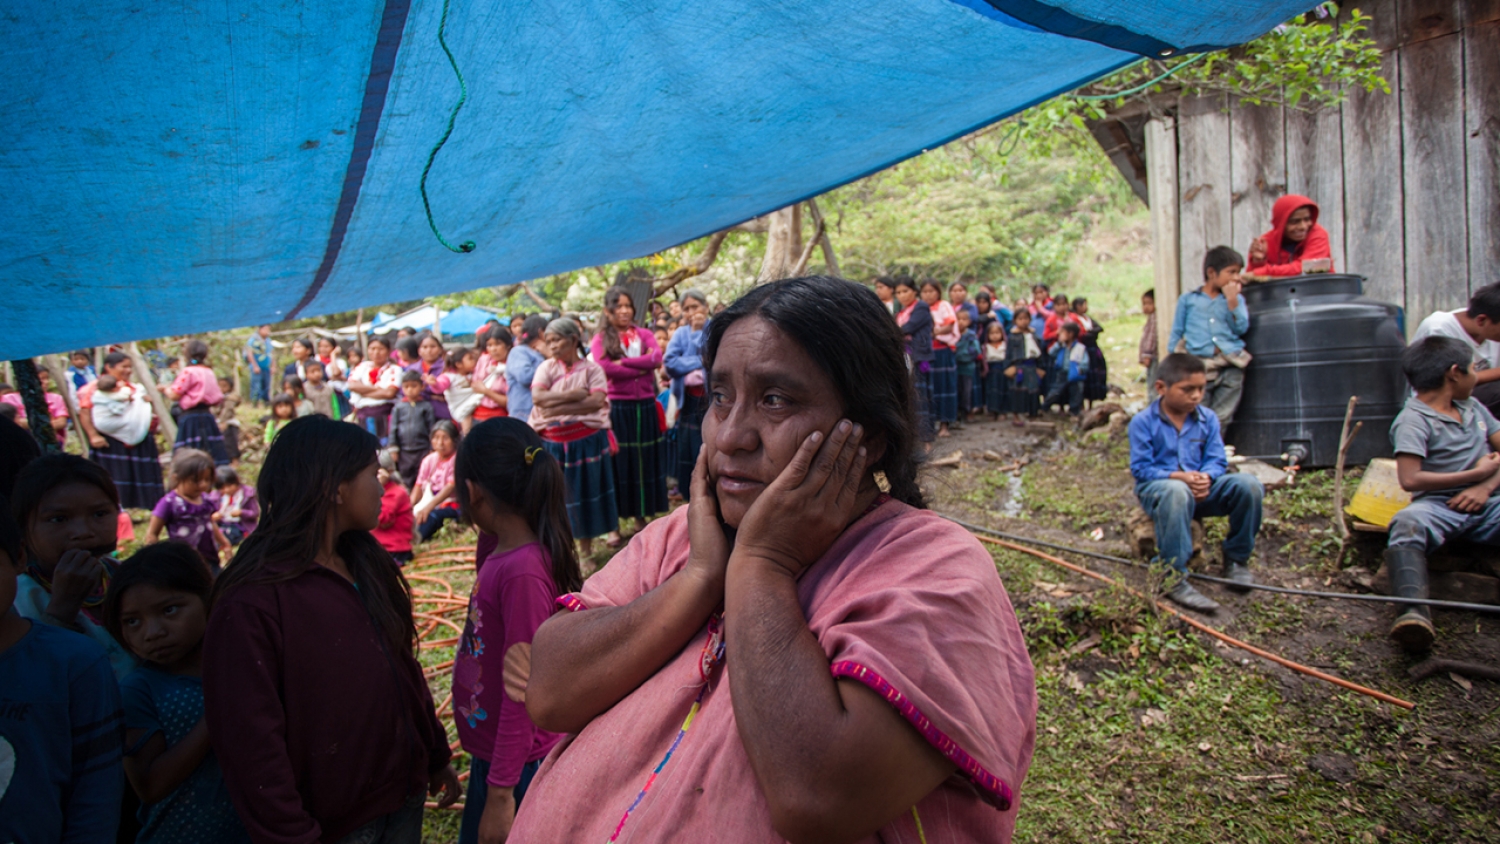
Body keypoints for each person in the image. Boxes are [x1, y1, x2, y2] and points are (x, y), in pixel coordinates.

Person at [511, 276, 1036, 843]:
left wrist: (761, 566)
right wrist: (701, 578)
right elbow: (550, 691)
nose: (731, 436)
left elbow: (817, 795)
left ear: (871, 439)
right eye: (719, 397)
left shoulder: (934, 569)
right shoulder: (684, 538)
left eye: (775, 399)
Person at [204, 416, 460, 843]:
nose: (382, 486)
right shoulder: (254, 601)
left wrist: (433, 753)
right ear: (333, 487)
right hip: (330, 824)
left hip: (401, 796)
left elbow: (402, 665)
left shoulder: (364, 563)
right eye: (371, 473)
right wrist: (290, 832)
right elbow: (250, 739)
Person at [450, 418, 579, 844]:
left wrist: (501, 795)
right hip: (503, 757)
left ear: (472, 492)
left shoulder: (522, 573)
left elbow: (521, 692)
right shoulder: (508, 549)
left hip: (515, 765)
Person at [103, 542, 252, 844]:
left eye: (169, 610)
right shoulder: (137, 690)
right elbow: (149, 785)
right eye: (133, 621)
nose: (152, 632)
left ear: (209, 599)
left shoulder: (242, 667)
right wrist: (216, 715)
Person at [0, 490, 124, 843]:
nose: (82, 531)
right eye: (59, 518)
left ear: (18, 556)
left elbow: (94, 801)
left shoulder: (77, 664)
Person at [1383, 336, 1500, 652]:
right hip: (1438, 505)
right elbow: (1410, 479)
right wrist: (1474, 474)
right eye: (1474, 368)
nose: (1477, 375)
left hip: (1490, 502)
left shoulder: (1474, 408)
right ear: (1454, 373)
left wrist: (1484, 486)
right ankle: (1412, 614)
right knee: (1407, 523)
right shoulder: (1412, 421)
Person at [1129, 353, 1264, 613]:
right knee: (1177, 491)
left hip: (1200, 492)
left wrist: (1207, 478)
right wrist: (1180, 477)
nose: (1196, 396)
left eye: (1201, 389)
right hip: (1161, 492)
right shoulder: (1143, 422)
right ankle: (1172, 576)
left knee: (1249, 485)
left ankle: (1237, 559)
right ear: (1161, 388)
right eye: (1187, 389)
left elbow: (1216, 460)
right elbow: (1142, 469)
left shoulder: (1207, 419)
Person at [10, 454, 138, 678]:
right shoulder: (17, 598)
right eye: (59, 519)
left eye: (100, 514)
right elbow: (28, 675)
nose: (83, 532)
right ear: (24, 529)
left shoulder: (131, 576)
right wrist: (62, 607)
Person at [530, 317, 618, 556]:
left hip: (585, 442)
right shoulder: (546, 368)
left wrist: (556, 407)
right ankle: (561, 550)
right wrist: (575, 396)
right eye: (548, 341)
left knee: (585, 493)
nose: (552, 346)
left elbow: (596, 401)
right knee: (555, 497)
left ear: (573, 339)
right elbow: (538, 398)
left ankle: (586, 550)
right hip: (553, 445)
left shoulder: (592, 369)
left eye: (557, 340)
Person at [591, 286, 669, 545]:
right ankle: (614, 524)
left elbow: (657, 358)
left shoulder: (645, 333)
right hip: (619, 408)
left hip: (645, 405)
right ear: (608, 310)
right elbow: (603, 366)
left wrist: (624, 364)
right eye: (619, 306)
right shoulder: (601, 338)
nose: (624, 311)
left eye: (628, 306)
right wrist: (639, 366)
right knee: (618, 464)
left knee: (643, 461)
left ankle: (640, 517)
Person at [1167, 246, 1251, 428]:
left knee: (1223, 415)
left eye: (1239, 272)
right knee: (1197, 413)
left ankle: (1213, 453)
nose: (1237, 277)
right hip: (1200, 365)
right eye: (1232, 272)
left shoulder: (1236, 299)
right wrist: (1172, 362)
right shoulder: (1188, 300)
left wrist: (1232, 302)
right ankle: (1196, 453)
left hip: (1230, 362)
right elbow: (1177, 331)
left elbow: (1241, 328)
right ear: (1212, 273)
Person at [78, 356, 165, 510]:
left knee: (143, 475)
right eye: (123, 366)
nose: (128, 370)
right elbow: (85, 411)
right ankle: (114, 510)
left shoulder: (133, 388)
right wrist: (93, 435)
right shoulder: (96, 388)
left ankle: (148, 508)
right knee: (115, 478)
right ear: (109, 367)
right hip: (110, 441)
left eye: (129, 367)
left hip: (139, 438)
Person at [1410, 281, 1500, 417]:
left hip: (1480, 397)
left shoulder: (1490, 327)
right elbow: (1449, 384)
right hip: (1442, 404)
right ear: (1482, 321)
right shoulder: (1439, 328)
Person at [148, 449, 230, 571]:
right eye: (196, 480)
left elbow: (209, 523)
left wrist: (224, 543)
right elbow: (152, 533)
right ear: (177, 478)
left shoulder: (206, 500)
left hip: (209, 559)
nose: (202, 485)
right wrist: (154, 559)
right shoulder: (169, 503)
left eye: (207, 480)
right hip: (182, 563)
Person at [664, 290, 711, 497]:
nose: (691, 312)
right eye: (686, 309)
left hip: (711, 402)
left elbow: (715, 359)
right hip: (688, 402)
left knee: (708, 445)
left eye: (695, 307)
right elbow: (670, 363)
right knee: (688, 450)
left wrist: (699, 334)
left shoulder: (716, 329)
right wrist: (700, 364)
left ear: (706, 307)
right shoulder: (680, 333)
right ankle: (690, 495)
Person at [163, 340, 229, 465]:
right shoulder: (209, 372)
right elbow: (217, 398)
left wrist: (165, 389)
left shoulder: (188, 371)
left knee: (189, 454)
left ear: (187, 354)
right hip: (207, 416)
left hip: (190, 418)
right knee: (212, 452)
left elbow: (174, 394)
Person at [1244, 194, 1333, 279]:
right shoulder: (1264, 243)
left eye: (1307, 219)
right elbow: (1251, 280)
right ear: (1281, 223)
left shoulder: (1317, 234)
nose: (1303, 226)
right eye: (1295, 222)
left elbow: (1306, 268)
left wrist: (1263, 272)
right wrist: (1258, 262)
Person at [893, 277, 935, 443]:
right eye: (898, 293)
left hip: (919, 356)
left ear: (914, 291)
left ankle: (926, 438)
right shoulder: (902, 312)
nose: (902, 295)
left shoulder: (921, 307)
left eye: (905, 291)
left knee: (921, 396)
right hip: (906, 356)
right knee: (912, 396)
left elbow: (908, 328)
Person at [921, 280, 960, 438]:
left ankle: (945, 425)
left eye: (931, 291)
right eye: (924, 291)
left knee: (945, 387)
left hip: (942, 351)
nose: (928, 294)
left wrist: (932, 334)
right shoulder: (920, 308)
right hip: (926, 353)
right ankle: (930, 424)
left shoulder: (943, 305)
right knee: (930, 389)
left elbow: (950, 325)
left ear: (938, 292)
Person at [414, 420, 461, 542]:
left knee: (432, 517)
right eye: (436, 438)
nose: (440, 443)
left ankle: (416, 540)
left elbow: (450, 487)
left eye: (445, 438)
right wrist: (406, 508)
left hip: (453, 505)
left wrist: (428, 508)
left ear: (454, 440)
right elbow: (418, 487)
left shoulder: (458, 460)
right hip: (430, 502)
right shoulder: (429, 460)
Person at [348, 335, 402, 442]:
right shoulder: (362, 367)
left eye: (381, 349)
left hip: (384, 414)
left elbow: (389, 393)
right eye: (372, 349)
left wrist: (362, 392)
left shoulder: (394, 369)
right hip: (363, 414)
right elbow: (352, 385)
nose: (376, 353)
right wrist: (379, 390)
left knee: (384, 444)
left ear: (388, 351)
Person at [390, 371, 436, 490]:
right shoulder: (399, 407)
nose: (410, 390)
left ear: (422, 387)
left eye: (414, 386)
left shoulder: (426, 406)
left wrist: (432, 448)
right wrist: (394, 447)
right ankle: (408, 501)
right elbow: (393, 427)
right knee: (405, 476)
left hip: (422, 449)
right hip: (404, 451)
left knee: (422, 476)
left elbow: (432, 428)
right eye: (406, 387)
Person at [1005, 308, 1047, 423]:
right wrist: (1008, 367)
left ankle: (1033, 414)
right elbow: (1009, 353)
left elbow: (1039, 352)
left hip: (1032, 366)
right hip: (1019, 367)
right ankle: (1016, 416)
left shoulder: (1034, 335)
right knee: (1017, 392)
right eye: (1020, 319)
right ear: (1015, 321)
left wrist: (1041, 367)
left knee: (1033, 391)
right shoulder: (1013, 336)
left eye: (1026, 318)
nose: (1023, 321)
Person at [374, 450, 415, 564]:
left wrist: (377, 488)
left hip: (394, 549)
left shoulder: (396, 492)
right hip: (380, 546)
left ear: (388, 472)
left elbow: (382, 519)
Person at [506, 316, 550, 425]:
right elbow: (525, 377)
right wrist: (548, 357)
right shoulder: (519, 352)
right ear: (541, 333)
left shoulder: (542, 352)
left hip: (541, 413)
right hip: (523, 414)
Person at [1043, 322, 1089, 416]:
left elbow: (1085, 362)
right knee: (1055, 391)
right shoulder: (1061, 346)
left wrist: (1080, 369)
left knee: (1075, 393)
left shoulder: (1080, 348)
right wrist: (1059, 343)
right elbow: (1051, 353)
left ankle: (1074, 411)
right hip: (1062, 372)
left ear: (1070, 334)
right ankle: (1045, 407)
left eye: (1062, 332)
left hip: (1074, 374)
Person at [208, 466, 258, 546]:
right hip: (222, 524)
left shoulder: (247, 494)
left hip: (240, 525)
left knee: (231, 535)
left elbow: (255, 513)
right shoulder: (215, 496)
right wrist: (213, 517)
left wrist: (241, 513)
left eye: (229, 486)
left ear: (237, 480)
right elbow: (208, 513)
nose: (227, 490)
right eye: (222, 488)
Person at [1072, 297, 1108, 407]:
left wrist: (1090, 332)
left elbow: (1099, 328)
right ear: (1078, 306)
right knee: (1083, 374)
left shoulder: (1087, 319)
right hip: (1081, 349)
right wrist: (1090, 333)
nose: (1086, 307)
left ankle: (1091, 402)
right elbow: (1081, 334)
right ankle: (1081, 403)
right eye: (1084, 305)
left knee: (1095, 373)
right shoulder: (1075, 319)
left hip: (1092, 348)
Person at [472, 327, 512, 423]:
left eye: (498, 344)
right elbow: (475, 386)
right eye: (489, 345)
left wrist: (486, 391)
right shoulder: (484, 361)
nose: (493, 349)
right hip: (477, 416)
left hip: (500, 419)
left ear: (508, 345)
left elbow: (509, 401)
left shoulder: (512, 366)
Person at [440, 346, 483, 432]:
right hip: (459, 406)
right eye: (470, 359)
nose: (474, 361)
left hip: (472, 407)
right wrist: (434, 384)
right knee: (466, 422)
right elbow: (440, 386)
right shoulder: (449, 376)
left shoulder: (473, 374)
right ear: (458, 364)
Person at [410, 333, 452, 421]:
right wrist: (431, 396)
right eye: (425, 347)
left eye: (433, 347)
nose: (429, 350)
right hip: (417, 413)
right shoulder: (412, 369)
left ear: (440, 350)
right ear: (419, 351)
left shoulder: (447, 367)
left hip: (441, 412)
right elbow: (404, 390)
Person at [955, 308, 982, 422]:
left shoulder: (971, 335)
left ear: (969, 321)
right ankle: (957, 413)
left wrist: (960, 355)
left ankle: (968, 412)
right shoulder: (952, 334)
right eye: (958, 319)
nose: (961, 321)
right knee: (957, 390)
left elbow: (976, 351)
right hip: (955, 368)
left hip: (968, 368)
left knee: (967, 391)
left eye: (964, 319)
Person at [982, 319, 1009, 419]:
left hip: (1003, 370)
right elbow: (984, 361)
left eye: (997, 333)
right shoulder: (985, 347)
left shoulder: (1005, 345)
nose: (995, 335)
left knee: (1003, 390)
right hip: (991, 372)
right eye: (992, 333)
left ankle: (1003, 411)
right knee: (992, 391)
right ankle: (993, 410)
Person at [245, 326, 274, 405]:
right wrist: (255, 366)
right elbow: (249, 353)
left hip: (266, 367)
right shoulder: (252, 340)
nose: (267, 331)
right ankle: (254, 403)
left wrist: (273, 366)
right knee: (256, 386)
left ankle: (266, 403)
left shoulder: (268, 341)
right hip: (257, 368)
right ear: (260, 329)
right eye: (265, 329)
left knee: (266, 386)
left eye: (269, 329)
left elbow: (271, 353)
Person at [1139, 289, 1160, 388]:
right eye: (1144, 304)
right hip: (1152, 357)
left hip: (1153, 356)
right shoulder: (1151, 317)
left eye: (1149, 303)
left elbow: (1151, 337)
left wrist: (1147, 355)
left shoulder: (1154, 318)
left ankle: (1154, 403)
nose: (1145, 307)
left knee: (1153, 383)